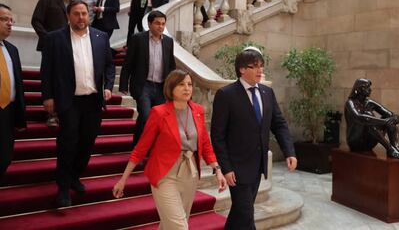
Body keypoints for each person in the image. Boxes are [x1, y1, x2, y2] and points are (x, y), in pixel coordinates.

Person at [113, 70, 226, 229]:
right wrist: (123, 179)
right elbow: (141, 148)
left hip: (190, 173)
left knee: (170, 224)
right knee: (180, 226)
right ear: (171, 88)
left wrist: (218, 169)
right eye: (181, 84)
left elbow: (206, 144)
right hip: (164, 175)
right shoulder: (158, 113)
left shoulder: (198, 111)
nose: (187, 88)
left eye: (189, 84)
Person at [211, 47, 297, 230]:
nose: (260, 71)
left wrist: (289, 151)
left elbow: (279, 124)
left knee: (240, 213)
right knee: (246, 213)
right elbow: (217, 136)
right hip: (236, 167)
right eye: (255, 66)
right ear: (242, 69)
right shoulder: (226, 95)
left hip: (257, 165)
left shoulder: (267, 93)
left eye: (262, 66)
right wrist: (225, 168)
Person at [41, 0, 115, 207]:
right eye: (76, 14)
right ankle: (63, 187)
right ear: (68, 16)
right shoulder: (54, 38)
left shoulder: (101, 37)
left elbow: (109, 66)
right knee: (68, 142)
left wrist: (108, 86)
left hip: (93, 100)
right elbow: (46, 69)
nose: (81, 17)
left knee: (87, 142)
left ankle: (75, 176)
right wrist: (47, 96)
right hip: (69, 100)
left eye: (84, 13)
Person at [119, 10, 176, 145]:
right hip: (143, 85)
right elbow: (128, 63)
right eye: (157, 23)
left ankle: (151, 146)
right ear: (149, 24)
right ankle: (138, 146)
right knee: (145, 115)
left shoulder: (168, 42)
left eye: (163, 24)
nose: (160, 26)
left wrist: (173, 87)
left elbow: (171, 66)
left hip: (161, 86)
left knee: (158, 119)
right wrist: (123, 84)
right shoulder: (138, 39)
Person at [31, 0, 77, 128]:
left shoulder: (76, 2)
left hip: (70, 50)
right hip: (50, 48)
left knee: (65, 81)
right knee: (50, 79)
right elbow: (36, 21)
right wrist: (49, 40)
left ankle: (64, 112)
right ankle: (51, 114)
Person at [345, 78, 399, 159]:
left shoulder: (369, 102)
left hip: (368, 143)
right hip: (355, 142)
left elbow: (391, 115)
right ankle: (390, 149)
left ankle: (395, 147)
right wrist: (384, 122)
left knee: (389, 120)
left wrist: (395, 119)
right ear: (359, 89)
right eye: (367, 87)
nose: (370, 90)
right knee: (369, 118)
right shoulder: (350, 103)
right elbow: (359, 117)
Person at [0, 4, 26, 182]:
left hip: (6, 112)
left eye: (11, 20)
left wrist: (19, 116)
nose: (9, 24)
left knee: (4, 157)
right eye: (4, 19)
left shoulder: (12, 50)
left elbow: (18, 84)